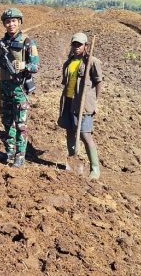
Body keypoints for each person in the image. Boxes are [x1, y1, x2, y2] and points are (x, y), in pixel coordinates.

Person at [0, 8, 39, 168]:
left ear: (19, 22)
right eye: (8, 21)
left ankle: (20, 157)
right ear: (4, 24)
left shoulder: (27, 42)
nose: (11, 24)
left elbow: (36, 66)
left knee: (21, 124)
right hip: (4, 88)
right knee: (6, 122)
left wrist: (24, 65)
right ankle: (10, 151)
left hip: (19, 88)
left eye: (14, 21)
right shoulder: (1, 44)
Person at [57, 32, 103, 179]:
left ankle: (95, 169)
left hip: (83, 103)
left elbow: (98, 82)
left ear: (86, 46)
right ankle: (73, 161)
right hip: (69, 100)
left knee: (84, 134)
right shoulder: (69, 62)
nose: (76, 47)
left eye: (80, 45)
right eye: (74, 44)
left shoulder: (92, 61)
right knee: (70, 131)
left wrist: (94, 100)